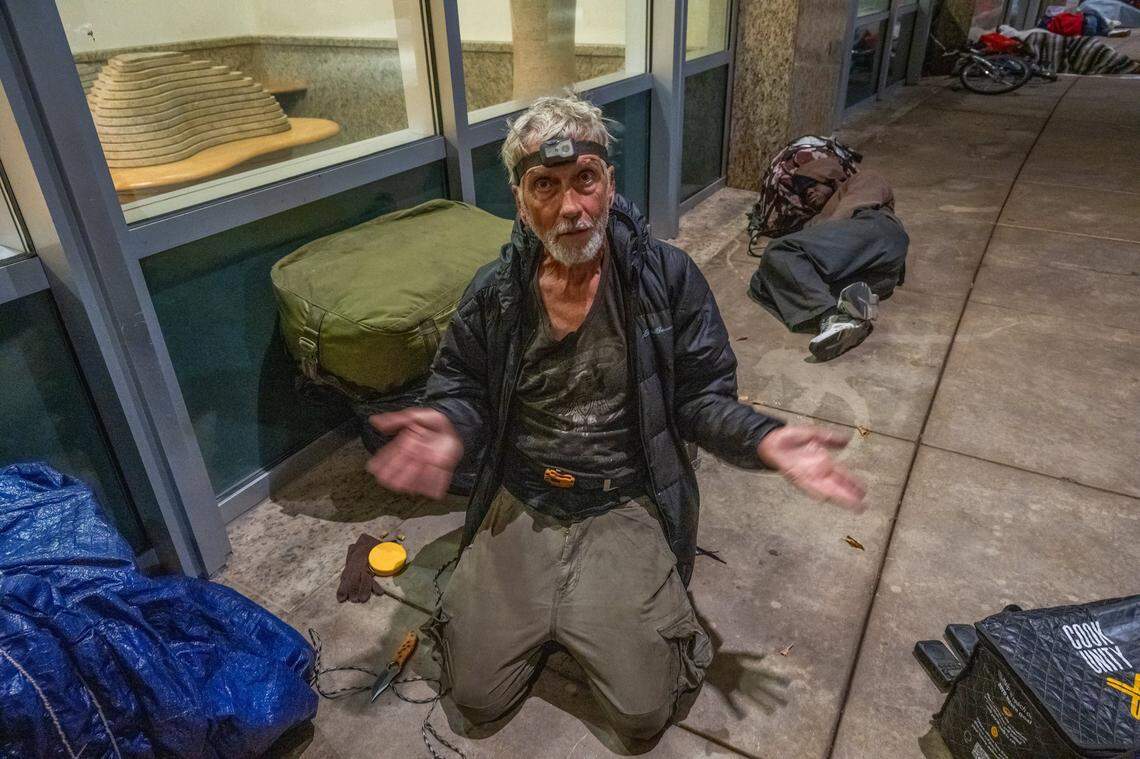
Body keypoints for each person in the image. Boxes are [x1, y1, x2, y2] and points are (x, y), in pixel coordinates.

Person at [365, 95, 866, 743]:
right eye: (546, 184)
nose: (571, 206)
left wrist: (763, 439)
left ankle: (592, 607)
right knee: (477, 698)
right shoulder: (495, 291)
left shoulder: (667, 276)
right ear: (521, 199)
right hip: (522, 499)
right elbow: (460, 384)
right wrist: (451, 422)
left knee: (642, 713)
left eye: (585, 179)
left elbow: (701, 397)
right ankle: (544, 607)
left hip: (623, 503)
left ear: (608, 184)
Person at [749, 153, 909, 361]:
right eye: (803, 191)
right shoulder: (818, 218)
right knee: (762, 283)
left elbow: (850, 210)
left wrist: (802, 241)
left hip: (876, 231)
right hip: (872, 277)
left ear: (831, 178)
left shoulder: (863, 180)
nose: (808, 192)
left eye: (812, 184)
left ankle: (832, 316)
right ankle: (847, 313)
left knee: (780, 251)